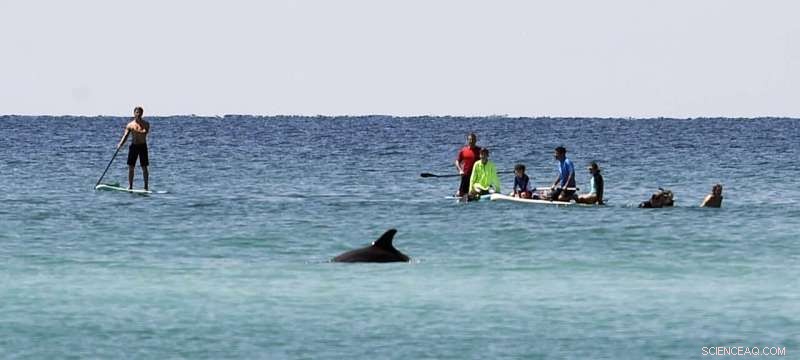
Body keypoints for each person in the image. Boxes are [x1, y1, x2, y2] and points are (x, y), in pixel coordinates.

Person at [116, 106, 150, 190]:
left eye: (140, 112)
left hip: (142, 146)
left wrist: (136, 130)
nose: (138, 114)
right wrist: (120, 144)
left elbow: (144, 132)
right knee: (131, 167)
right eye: (137, 112)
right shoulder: (130, 125)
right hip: (133, 146)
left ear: (142, 114)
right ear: (134, 113)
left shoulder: (146, 124)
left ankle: (146, 187)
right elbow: (125, 135)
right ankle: (130, 186)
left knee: (144, 167)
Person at [454, 133, 482, 197]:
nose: (471, 141)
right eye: (470, 139)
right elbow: (457, 161)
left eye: (473, 139)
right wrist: (460, 170)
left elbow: (485, 162)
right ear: (467, 140)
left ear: (476, 140)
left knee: (476, 192)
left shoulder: (480, 150)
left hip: (477, 176)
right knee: (460, 194)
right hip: (466, 176)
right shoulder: (463, 150)